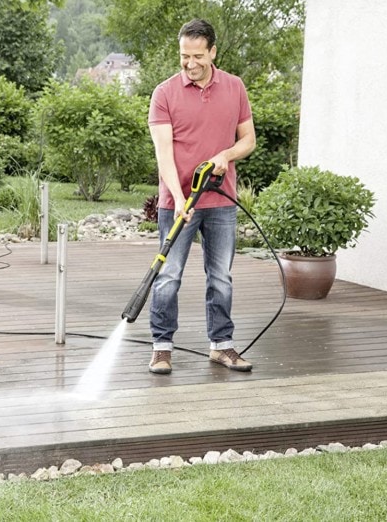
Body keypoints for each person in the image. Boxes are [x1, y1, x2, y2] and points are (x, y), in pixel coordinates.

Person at [146, 19, 256, 374]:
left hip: (221, 201)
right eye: (183, 56)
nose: (190, 63)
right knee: (169, 276)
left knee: (220, 276)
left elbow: (247, 141)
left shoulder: (235, 88)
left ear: (212, 52)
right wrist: (179, 198)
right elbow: (164, 154)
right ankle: (162, 348)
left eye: (197, 56)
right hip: (177, 202)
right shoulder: (164, 93)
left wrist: (226, 155)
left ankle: (221, 346)